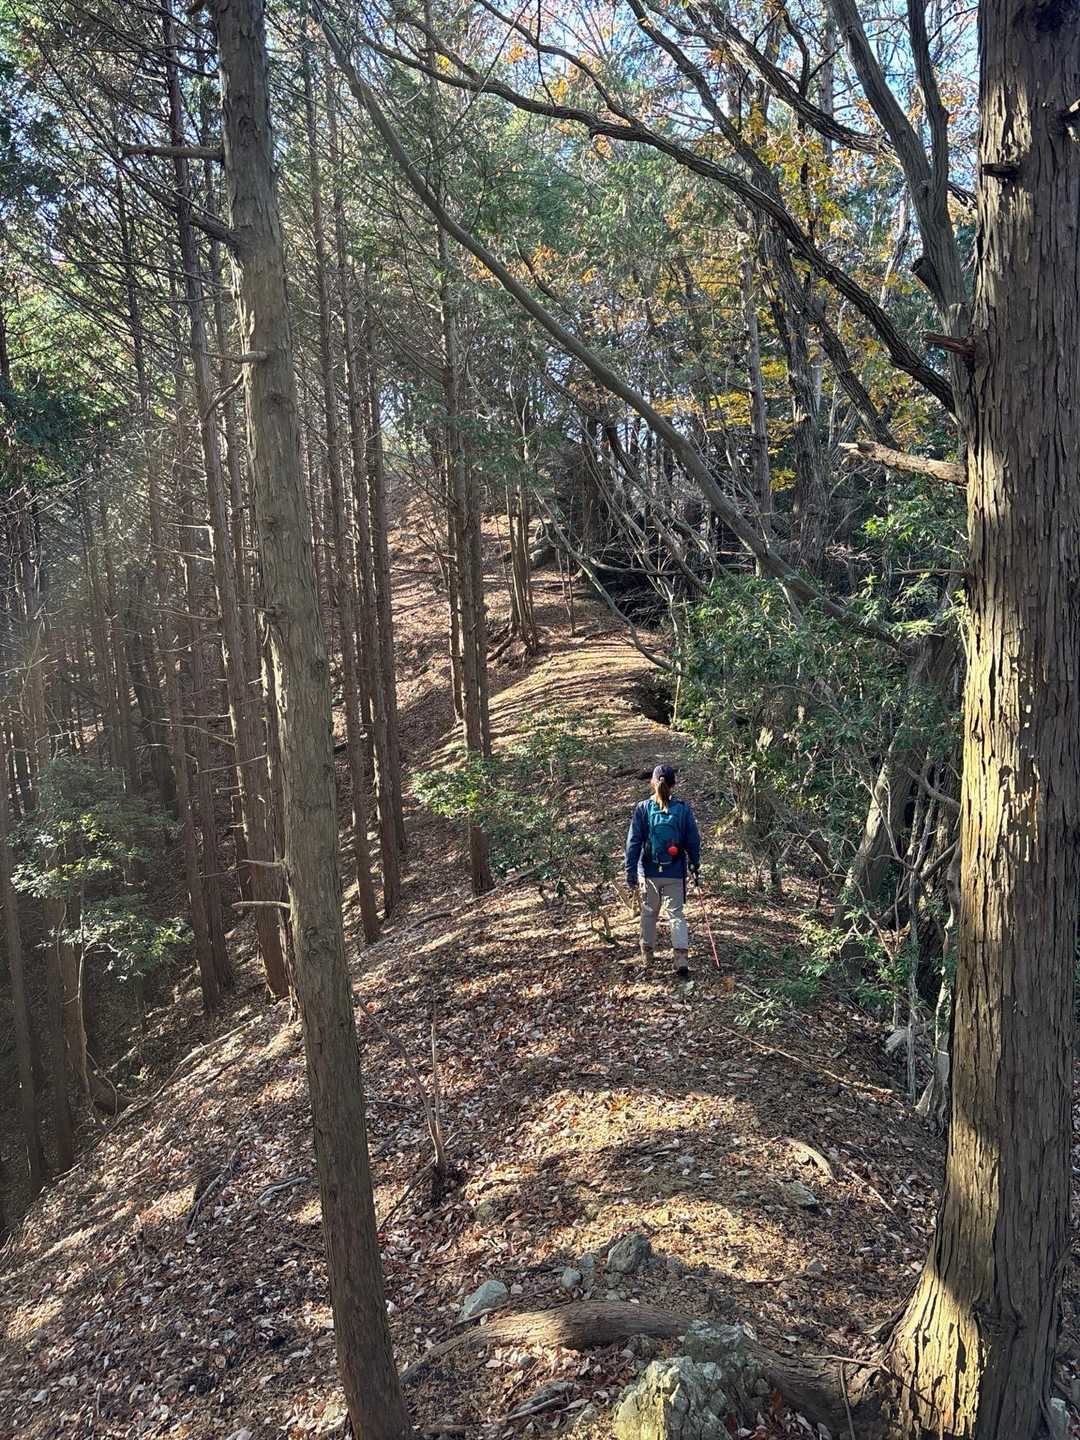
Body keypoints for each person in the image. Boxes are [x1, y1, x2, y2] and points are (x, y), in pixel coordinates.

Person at [625, 763, 701, 977]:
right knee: (676, 914)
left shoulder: (643, 808)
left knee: (649, 913)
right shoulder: (683, 809)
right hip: (674, 872)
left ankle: (647, 955)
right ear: (674, 784)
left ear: (652, 782)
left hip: (649, 871)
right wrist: (695, 864)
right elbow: (693, 840)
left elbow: (633, 842)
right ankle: (681, 958)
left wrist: (630, 871)